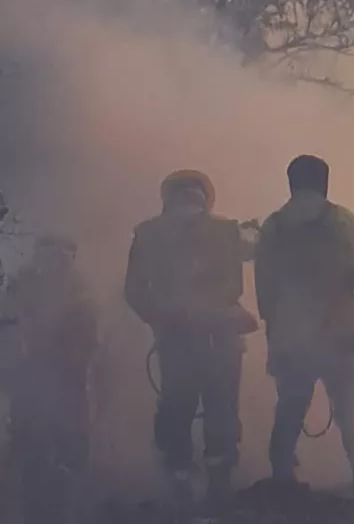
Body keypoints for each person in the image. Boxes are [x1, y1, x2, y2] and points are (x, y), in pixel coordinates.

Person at [124, 170, 257, 504]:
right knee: (222, 408)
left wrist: (161, 319)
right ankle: (218, 487)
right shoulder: (228, 230)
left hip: (175, 340)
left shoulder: (147, 233)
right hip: (222, 337)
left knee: (176, 408)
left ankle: (179, 483)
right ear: (206, 197)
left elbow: (134, 291)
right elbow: (256, 248)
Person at [254, 155, 354, 491]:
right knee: (351, 404)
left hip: (290, 334)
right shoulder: (340, 218)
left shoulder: (273, 225)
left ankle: (281, 473)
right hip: (340, 331)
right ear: (324, 181)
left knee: (290, 406)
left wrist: (277, 324)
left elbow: (264, 286)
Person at [4, 233, 97, 524]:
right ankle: (32, 502)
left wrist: (74, 353)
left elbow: (88, 335)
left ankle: (72, 495)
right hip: (27, 373)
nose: (52, 261)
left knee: (72, 435)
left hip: (68, 372)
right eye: (47, 254)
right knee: (28, 438)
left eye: (60, 255)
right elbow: (7, 325)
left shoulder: (80, 290)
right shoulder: (20, 285)